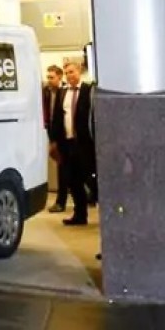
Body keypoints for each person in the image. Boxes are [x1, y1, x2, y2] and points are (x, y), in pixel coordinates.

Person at [47, 62, 95, 226]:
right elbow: (57, 118)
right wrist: (54, 141)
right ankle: (80, 215)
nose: (69, 75)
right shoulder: (62, 92)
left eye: (72, 72)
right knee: (72, 180)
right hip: (67, 143)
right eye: (66, 73)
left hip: (85, 143)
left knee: (90, 177)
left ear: (79, 72)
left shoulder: (89, 91)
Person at [42, 65, 69, 212]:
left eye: (52, 77)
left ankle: (61, 201)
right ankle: (61, 200)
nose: (49, 80)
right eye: (48, 77)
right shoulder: (46, 92)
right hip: (52, 130)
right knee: (62, 167)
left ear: (59, 77)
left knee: (65, 168)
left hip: (65, 134)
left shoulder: (65, 91)